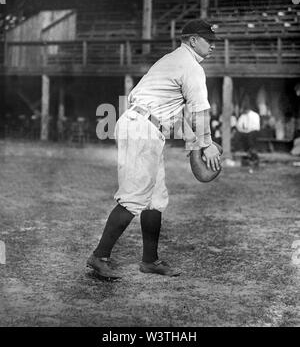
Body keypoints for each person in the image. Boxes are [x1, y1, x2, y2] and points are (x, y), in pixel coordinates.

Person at [87, 19, 221, 280]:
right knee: (135, 195)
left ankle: (150, 260)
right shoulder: (190, 66)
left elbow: (180, 112)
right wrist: (206, 144)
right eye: (209, 40)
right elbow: (199, 111)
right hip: (142, 127)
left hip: (146, 126)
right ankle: (99, 256)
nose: (214, 45)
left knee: (155, 200)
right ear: (193, 40)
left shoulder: (174, 60)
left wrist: (195, 142)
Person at [236, 104, 260, 169]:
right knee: (241, 139)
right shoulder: (243, 116)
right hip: (244, 133)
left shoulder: (255, 115)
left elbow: (256, 127)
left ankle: (254, 158)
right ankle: (246, 156)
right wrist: (243, 130)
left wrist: (248, 130)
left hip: (253, 132)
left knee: (251, 141)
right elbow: (239, 125)